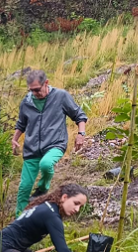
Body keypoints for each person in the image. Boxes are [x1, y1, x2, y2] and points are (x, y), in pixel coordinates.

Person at [11, 70, 88, 215]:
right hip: (32, 149)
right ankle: (19, 221)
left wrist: (80, 134)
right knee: (24, 188)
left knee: (46, 164)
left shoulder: (61, 96)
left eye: (37, 90)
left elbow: (79, 115)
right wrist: (15, 139)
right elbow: (21, 124)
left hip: (55, 144)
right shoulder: (26, 102)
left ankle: (43, 186)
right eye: (31, 90)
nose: (34, 93)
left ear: (46, 83)